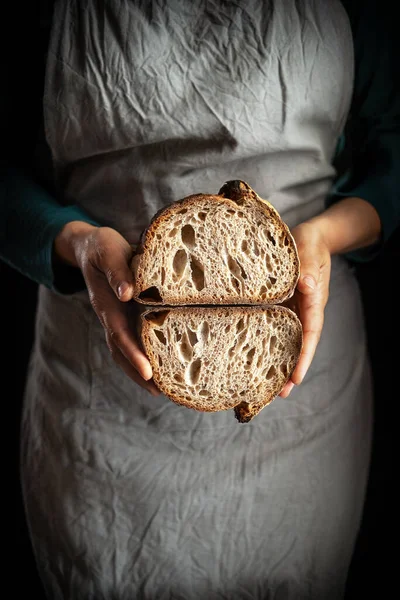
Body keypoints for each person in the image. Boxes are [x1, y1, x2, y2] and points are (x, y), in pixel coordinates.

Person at [2, 1, 399, 598]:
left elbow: (393, 153)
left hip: (297, 394)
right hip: (100, 411)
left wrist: (324, 235)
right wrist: (78, 243)